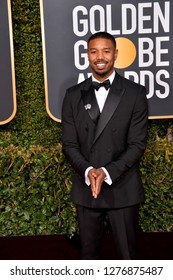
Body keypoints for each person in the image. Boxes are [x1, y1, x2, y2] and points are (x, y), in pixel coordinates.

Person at [62, 32, 148, 260]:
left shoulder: (135, 93)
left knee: (128, 259)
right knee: (88, 259)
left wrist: (107, 172)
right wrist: (90, 172)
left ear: (116, 54)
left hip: (123, 189)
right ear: (87, 55)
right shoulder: (72, 96)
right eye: (94, 51)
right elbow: (69, 144)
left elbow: (137, 144)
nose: (100, 56)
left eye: (106, 51)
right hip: (86, 189)